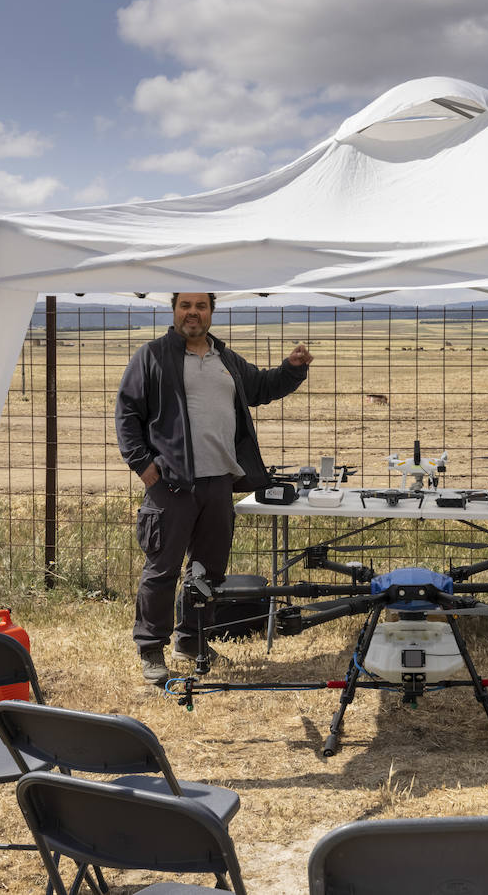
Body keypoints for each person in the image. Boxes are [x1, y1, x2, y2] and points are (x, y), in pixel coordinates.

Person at [116, 292, 312, 684]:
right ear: (174, 311)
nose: (193, 313)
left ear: (210, 312)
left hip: (219, 482)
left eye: (201, 306)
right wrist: (143, 465)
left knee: (209, 572)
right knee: (162, 569)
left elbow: (258, 388)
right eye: (185, 306)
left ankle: (191, 639)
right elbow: (127, 413)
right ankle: (151, 648)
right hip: (171, 485)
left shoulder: (225, 358)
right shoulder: (152, 356)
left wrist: (291, 369)